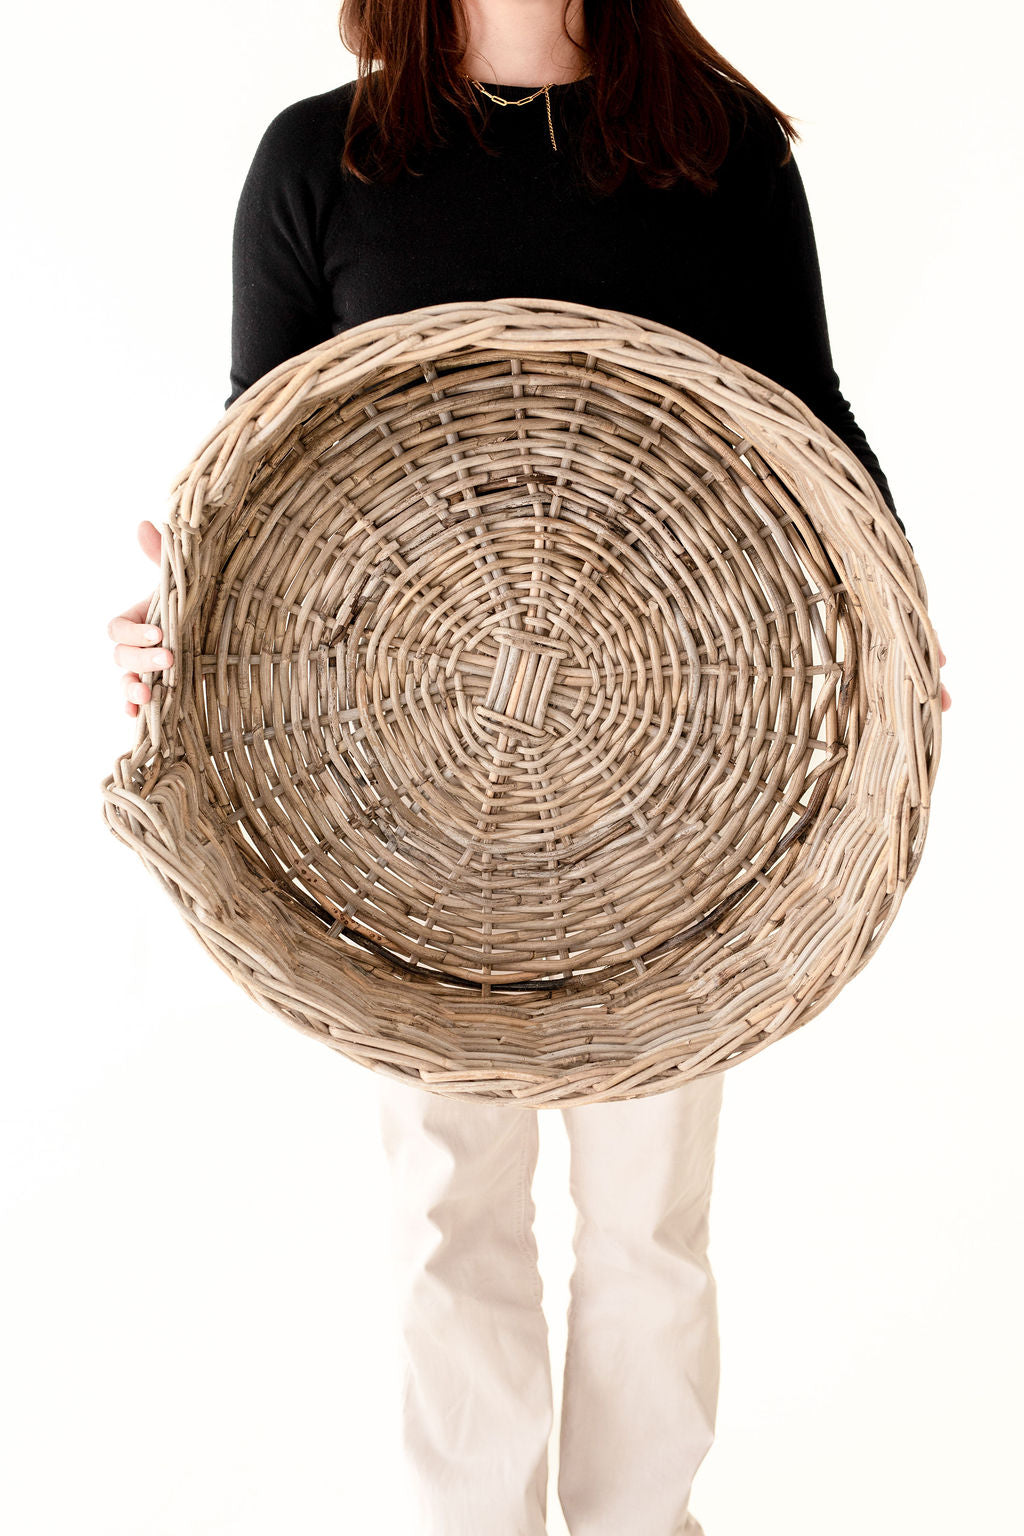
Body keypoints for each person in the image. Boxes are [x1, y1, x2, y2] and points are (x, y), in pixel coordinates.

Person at [107, 3, 952, 1532]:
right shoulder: (325, 159)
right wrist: (174, 638)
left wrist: (895, 630)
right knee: (447, 1218)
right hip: (399, 805)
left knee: (649, 1227)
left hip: (684, 791)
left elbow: (811, 427)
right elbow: (263, 480)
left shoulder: (716, 147)